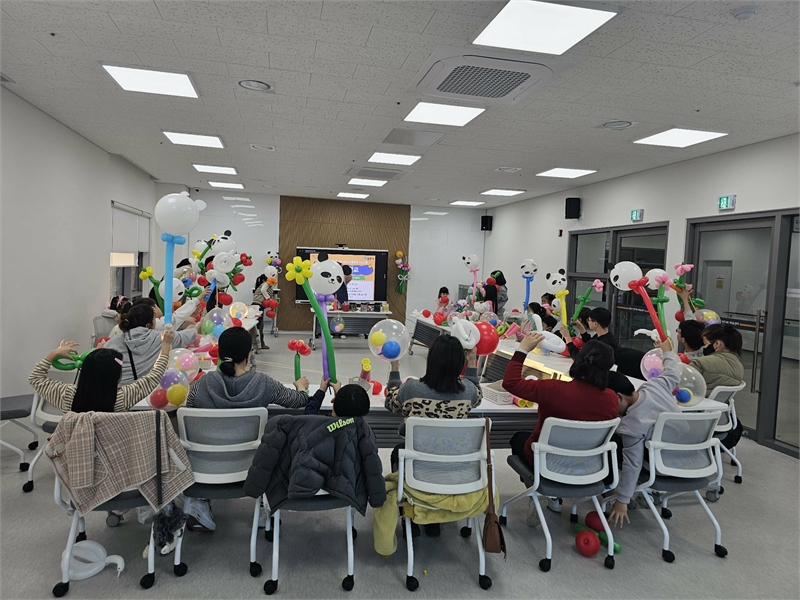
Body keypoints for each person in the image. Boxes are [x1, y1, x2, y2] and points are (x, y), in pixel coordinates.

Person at [184, 326, 339, 531]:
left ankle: (200, 503)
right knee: (279, 443)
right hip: (253, 466)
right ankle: (266, 508)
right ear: (249, 354)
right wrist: (301, 388)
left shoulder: (202, 384)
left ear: (219, 354)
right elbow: (298, 401)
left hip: (205, 466)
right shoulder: (263, 383)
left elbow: (190, 409)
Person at [503, 334, 618, 525]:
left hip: (546, 463)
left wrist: (522, 349)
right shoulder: (612, 399)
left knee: (518, 438)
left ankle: (538, 490)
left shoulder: (553, 389)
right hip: (588, 467)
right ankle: (551, 495)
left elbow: (510, 383)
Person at [385, 333, 481, 537]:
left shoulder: (412, 388)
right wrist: (472, 361)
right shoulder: (468, 392)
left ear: (431, 360)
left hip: (419, 469)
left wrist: (394, 370)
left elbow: (391, 403)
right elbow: (477, 395)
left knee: (397, 452)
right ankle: (434, 518)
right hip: (457, 469)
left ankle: (410, 511)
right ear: (460, 363)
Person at [606, 337, 679, 527]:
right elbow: (673, 372)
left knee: (608, 443)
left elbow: (633, 463)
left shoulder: (631, 425)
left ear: (619, 397)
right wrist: (667, 352)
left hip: (661, 465)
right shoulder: (656, 386)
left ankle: (611, 492)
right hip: (692, 457)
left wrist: (622, 500)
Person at [28, 331, 175, 413]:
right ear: (117, 376)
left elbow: (35, 378)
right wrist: (165, 345)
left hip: (77, 454)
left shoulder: (67, 395)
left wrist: (54, 353)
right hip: (112, 455)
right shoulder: (123, 397)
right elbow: (155, 375)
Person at [104, 303, 199, 385]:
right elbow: (185, 336)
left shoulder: (114, 342)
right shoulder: (159, 337)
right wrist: (195, 328)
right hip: (149, 391)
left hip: (119, 392)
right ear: (148, 324)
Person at [692, 324, 744, 392]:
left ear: (717, 344)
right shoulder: (740, 367)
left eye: (705, 344)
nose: (704, 347)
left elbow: (682, 381)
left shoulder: (699, 363)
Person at [252, 274, 270, 350]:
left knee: (258, 326)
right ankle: (260, 344)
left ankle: (259, 344)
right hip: (258, 307)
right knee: (259, 327)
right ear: (264, 280)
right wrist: (269, 298)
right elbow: (263, 290)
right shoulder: (265, 284)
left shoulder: (259, 286)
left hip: (256, 306)